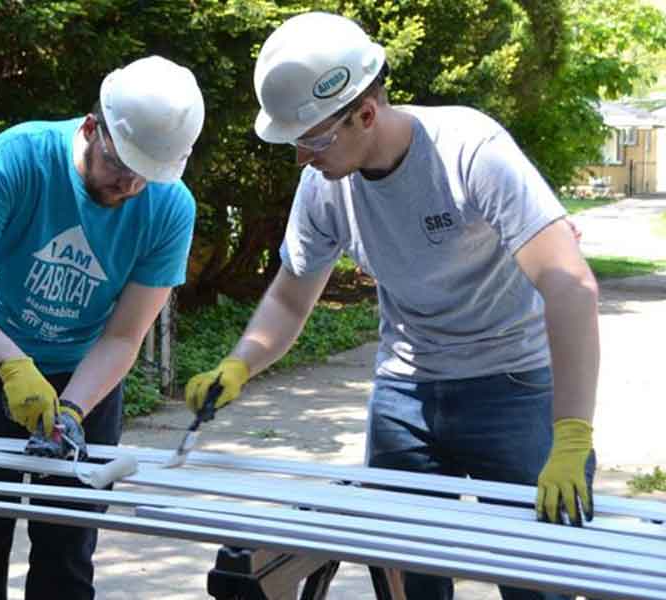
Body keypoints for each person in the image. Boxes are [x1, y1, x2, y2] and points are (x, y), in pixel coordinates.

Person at [184, 12, 598, 600]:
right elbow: (289, 296)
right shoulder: (325, 184)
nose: (302, 157)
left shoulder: (470, 150)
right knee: (405, 576)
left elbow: (570, 286)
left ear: (367, 114)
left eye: (313, 139)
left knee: (541, 580)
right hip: (407, 393)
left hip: (515, 386)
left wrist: (572, 435)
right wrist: (240, 363)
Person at [0, 55, 204, 600]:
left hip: (86, 379)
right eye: (120, 164)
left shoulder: (170, 207)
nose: (130, 184)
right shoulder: (18, 159)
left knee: (67, 551)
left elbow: (124, 335)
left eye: (148, 173)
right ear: (91, 126)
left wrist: (73, 409)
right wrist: (11, 365)